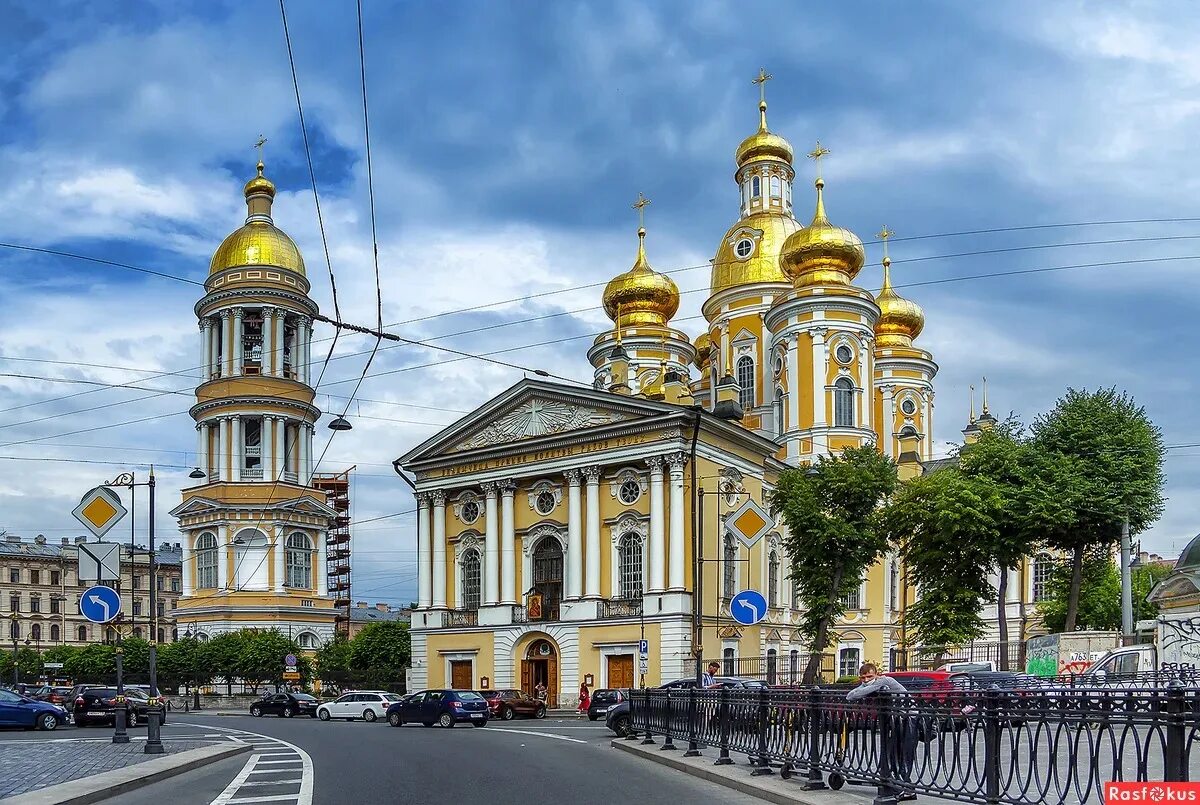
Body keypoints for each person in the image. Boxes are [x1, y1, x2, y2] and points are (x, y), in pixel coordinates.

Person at [846, 663, 919, 802]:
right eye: (863, 678)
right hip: (898, 719)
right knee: (893, 754)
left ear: (877, 674)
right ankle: (902, 787)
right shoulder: (872, 683)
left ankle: (906, 788)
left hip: (909, 718)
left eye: (869, 676)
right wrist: (863, 687)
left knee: (902, 753)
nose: (866, 680)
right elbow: (850, 696)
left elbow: (857, 694)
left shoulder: (885, 681)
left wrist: (864, 687)